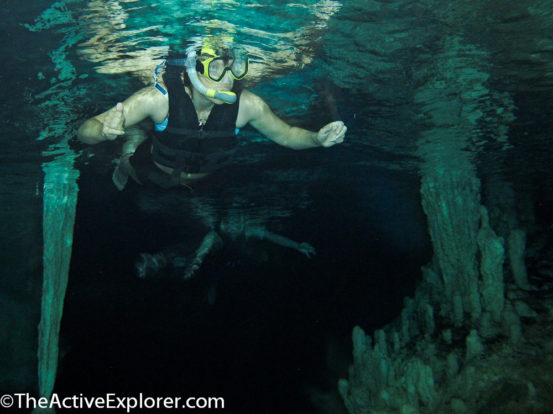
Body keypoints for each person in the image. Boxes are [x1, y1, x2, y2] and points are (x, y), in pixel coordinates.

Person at [77, 38, 347, 189]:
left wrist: (316, 139)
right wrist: (102, 131)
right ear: (193, 71)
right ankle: (126, 153)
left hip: (207, 181)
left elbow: (287, 136)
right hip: (152, 171)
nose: (228, 80)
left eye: (235, 68)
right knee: (133, 167)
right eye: (216, 69)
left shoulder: (248, 105)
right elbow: (85, 132)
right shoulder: (158, 99)